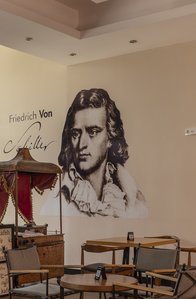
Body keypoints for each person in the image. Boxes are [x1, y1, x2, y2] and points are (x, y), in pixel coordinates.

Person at [56, 88, 147, 218]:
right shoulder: (58, 193)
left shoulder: (130, 198)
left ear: (110, 138)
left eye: (92, 132)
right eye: (76, 134)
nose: (81, 144)